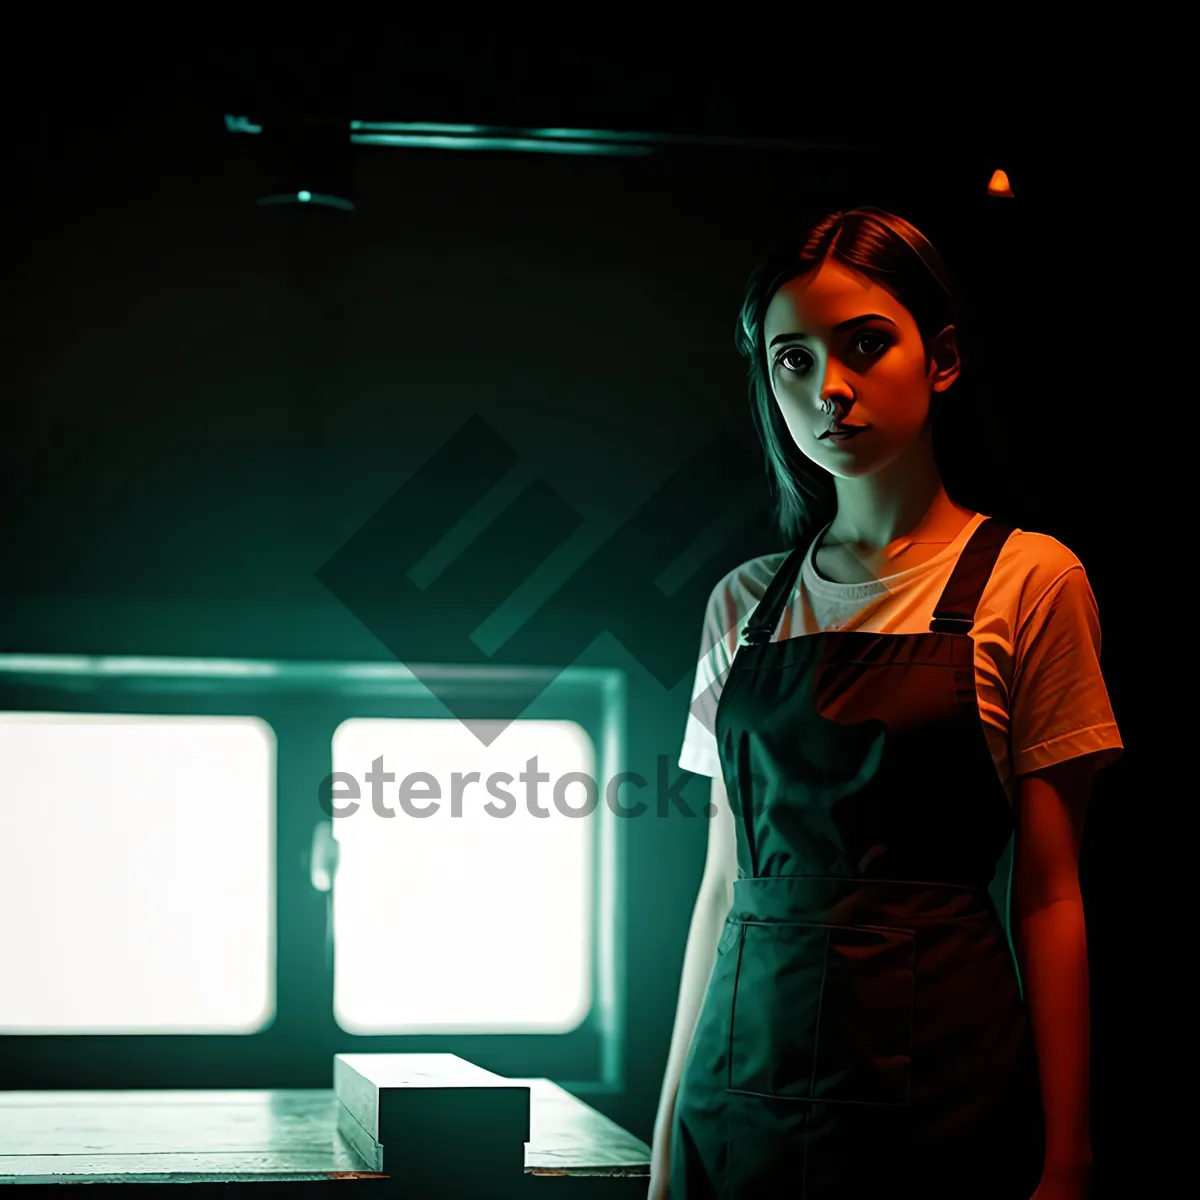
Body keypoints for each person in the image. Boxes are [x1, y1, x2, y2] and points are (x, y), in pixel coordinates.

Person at [648, 207, 1123, 1199]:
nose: (829, 387)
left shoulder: (1031, 581)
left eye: (865, 345)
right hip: (739, 1098)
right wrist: (664, 1147)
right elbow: (721, 886)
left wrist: (1069, 1153)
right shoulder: (741, 602)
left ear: (941, 359)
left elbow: (1049, 892)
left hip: (945, 1092)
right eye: (792, 359)